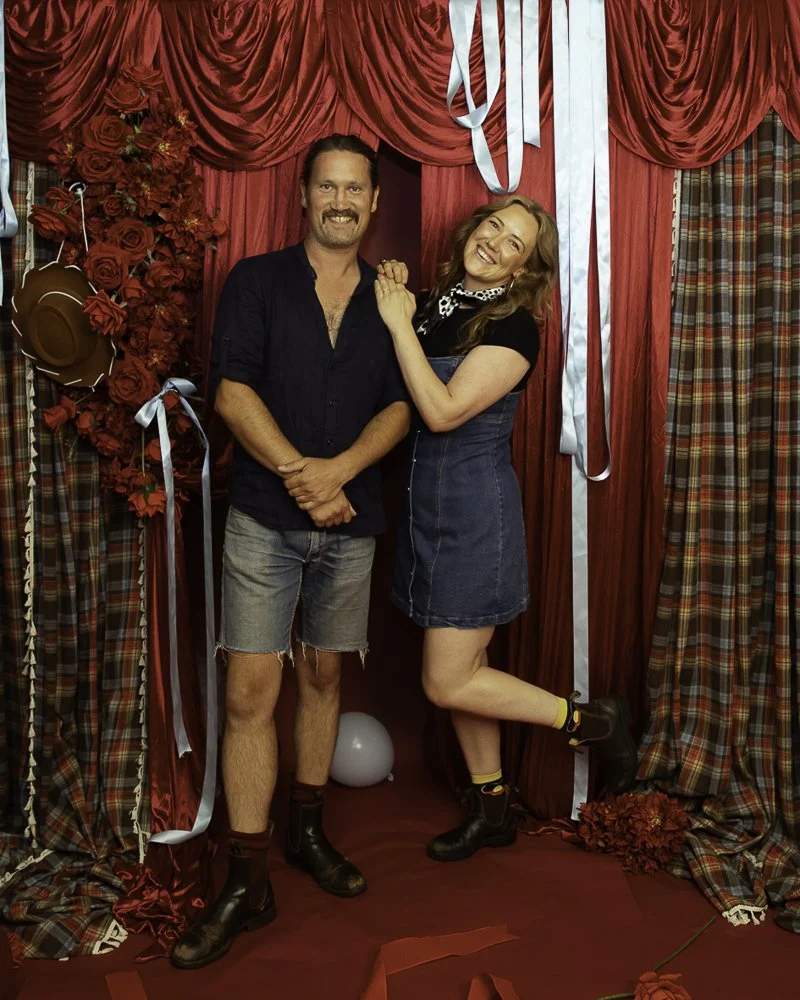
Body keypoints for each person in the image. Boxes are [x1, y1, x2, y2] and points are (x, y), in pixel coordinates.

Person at [172, 134, 410, 970]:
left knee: (322, 676)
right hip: (265, 522)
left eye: (356, 190)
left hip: (353, 520)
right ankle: (246, 878)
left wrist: (338, 472)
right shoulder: (257, 282)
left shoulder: (394, 303)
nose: (341, 201)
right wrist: (301, 478)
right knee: (249, 689)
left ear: (374, 203)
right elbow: (231, 388)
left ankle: (306, 832)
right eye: (327, 187)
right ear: (303, 195)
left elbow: (404, 406)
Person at [374, 196, 638, 862]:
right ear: (473, 228)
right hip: (422, 510)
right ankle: (491, 805)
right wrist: (402, 299)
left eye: (514, 243)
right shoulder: (437, 302)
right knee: (468, 669)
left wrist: (397, 322)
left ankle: (591, 720)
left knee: (445, 682)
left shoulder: (516, 328)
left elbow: (439, 411)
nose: (495, 241)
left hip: (472, 516)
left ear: (523, 271)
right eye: (493, 225)